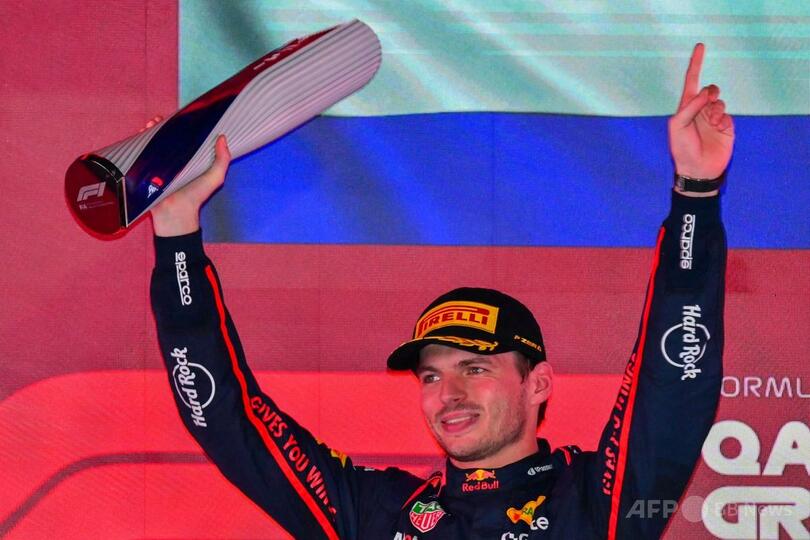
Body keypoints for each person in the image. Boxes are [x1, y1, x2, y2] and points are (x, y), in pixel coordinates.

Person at [149, 43, 733, 539]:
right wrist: (176, 233)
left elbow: (674, 387)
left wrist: (697, 194)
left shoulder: (595, 502)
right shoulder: (378, 514)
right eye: (431, 376)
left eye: (474, 368)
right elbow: (227, 420)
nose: (448, 394)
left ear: (538, 383)